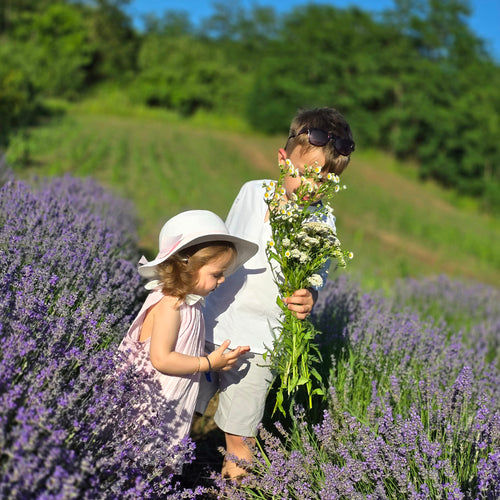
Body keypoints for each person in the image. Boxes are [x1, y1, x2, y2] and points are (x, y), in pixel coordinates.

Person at [195, 107, 355, 479]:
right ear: (283, 160)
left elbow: (318, 276)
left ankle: (235, 485)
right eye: (304, 175)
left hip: (260, 342)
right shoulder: (253, 193)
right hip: (212, 320)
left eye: (325, 182)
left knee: (241, 436)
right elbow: (225, 246)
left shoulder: (323, 220)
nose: (312, 188)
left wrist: (309, 296)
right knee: (181, 410)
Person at [118, 210, 258, 455]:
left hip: (167, 402)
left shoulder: (189, 305)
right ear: (186, 267)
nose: (222, 280)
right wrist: (207, 363)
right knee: (138, 455)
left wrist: (216, 360)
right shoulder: (169, 305)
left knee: (158, 460)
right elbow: (162, 359)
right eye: (217, 274)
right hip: (147, 405)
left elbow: (183, 347)